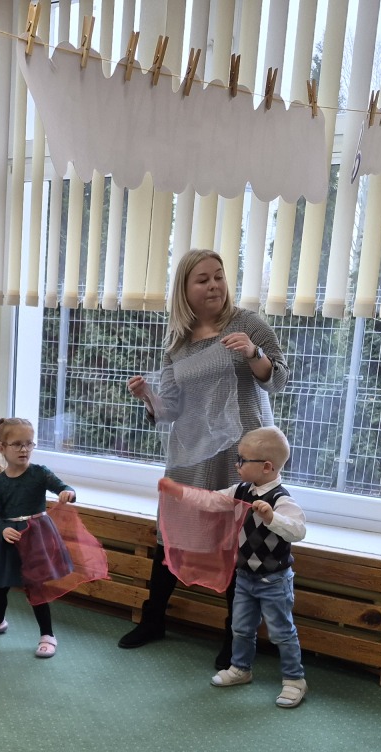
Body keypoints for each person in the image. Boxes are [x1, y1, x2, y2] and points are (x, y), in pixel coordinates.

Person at [119, 249, 289, 662]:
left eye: (219, 276)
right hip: (191, 453)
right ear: (185, 288)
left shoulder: (248, 324)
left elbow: (278, 380)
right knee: (174, 532)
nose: (214, 285)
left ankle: (235, 637)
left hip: (242, 453)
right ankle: (153, 619)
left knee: (238, 539)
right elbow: (171, 410)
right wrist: (148, 396)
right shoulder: (177, 342)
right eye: (203, 279)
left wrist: (253, 353)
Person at [196, 426, 309, 708]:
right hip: (244, 577)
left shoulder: (282, 499)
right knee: (241, 627)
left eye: (242, 460)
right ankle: (241, 668)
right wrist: (184, 494)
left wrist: (271, 518)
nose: (237, 465)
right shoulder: (241, 490)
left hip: (274, 581)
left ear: (267, 467)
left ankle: (294, 679)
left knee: (282, 632)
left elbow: (298, 531)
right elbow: (215, 500)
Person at [0, 417, 75, 659]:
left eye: (29, 443)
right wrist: (2, 529)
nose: (24, 449)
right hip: (9, 540)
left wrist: (67, 492)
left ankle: (47, 635)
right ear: (2, 447)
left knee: (35, 586)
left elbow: (63, 487)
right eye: (17, 444)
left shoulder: (39, 473)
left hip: (35, 538)